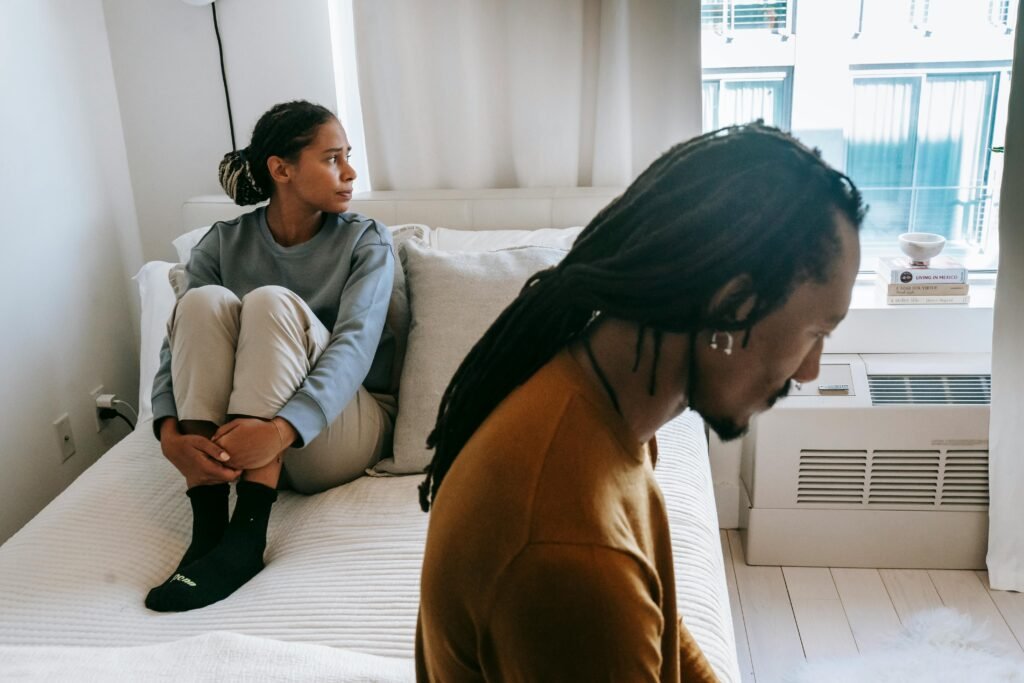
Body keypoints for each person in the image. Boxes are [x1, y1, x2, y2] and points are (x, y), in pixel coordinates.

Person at [415, 123, 864, 681]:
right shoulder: (573, 555)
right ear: (731, 305)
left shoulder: (595, 401)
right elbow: (610, 597)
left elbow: (659, 623)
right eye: (816, 332)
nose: (812, 369)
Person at [145, 101, 396, 613]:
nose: (349, 172)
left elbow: (355, 346)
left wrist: (280, 431)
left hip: (340, 435)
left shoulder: (366, 241)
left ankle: (248, 535)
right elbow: (177, 350)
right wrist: (168, 433)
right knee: (203, 302)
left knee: (270, 301)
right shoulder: (220, 244)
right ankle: (210, 524)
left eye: (348, 157)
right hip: (237, 446)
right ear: (281, 169)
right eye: (332, 159)